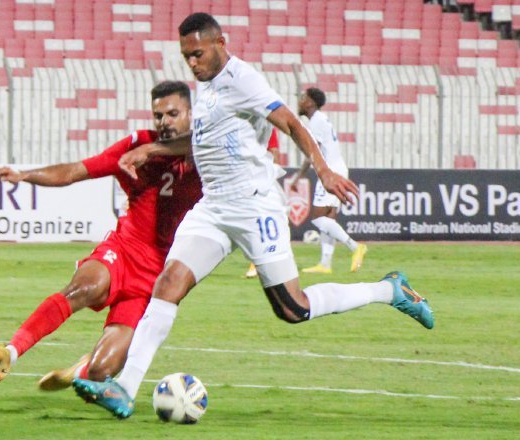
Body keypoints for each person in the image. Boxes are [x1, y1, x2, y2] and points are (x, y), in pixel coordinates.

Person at [72, 13, 435, 419]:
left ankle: (391, 290)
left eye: (198, 54)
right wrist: (153, 150)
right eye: (185, 56)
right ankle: (123, 388)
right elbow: (203, 141)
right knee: (169, 282)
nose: (192, 63)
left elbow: (290, 122)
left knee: (292, 308)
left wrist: (323, 170)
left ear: (220, 42)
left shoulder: (242, 80)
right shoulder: (206, 86)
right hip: (214, 208)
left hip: (254, 206)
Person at [0, 81, 202, 390]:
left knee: (101, 372)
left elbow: (224, 142)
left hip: (157, 275)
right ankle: (9, 353)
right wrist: (25, 175)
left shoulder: (206, 152)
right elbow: (75, 171)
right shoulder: (136, 147)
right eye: (158, 116)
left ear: (191, 113)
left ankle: (82, 368)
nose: (164, 122)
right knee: (84, 287)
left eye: (173, 114)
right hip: (123, 250)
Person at [290, 87, 367, 274]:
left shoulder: (315, 122)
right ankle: (325, 264)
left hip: (331, 171)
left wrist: (298, 177)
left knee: (318, 218)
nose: (300, 101)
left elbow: (311, 154)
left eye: (303, 98)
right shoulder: (321, 120)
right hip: (339, 168)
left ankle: (355, 247)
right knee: (329, 218)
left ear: (310, 102)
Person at [245, 127, 281, 278]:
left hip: (261, 181)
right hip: (247, 180)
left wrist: (268, 177)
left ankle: (260, 262)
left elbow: (274, 154)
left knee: (259, 220)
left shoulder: (266, 125)